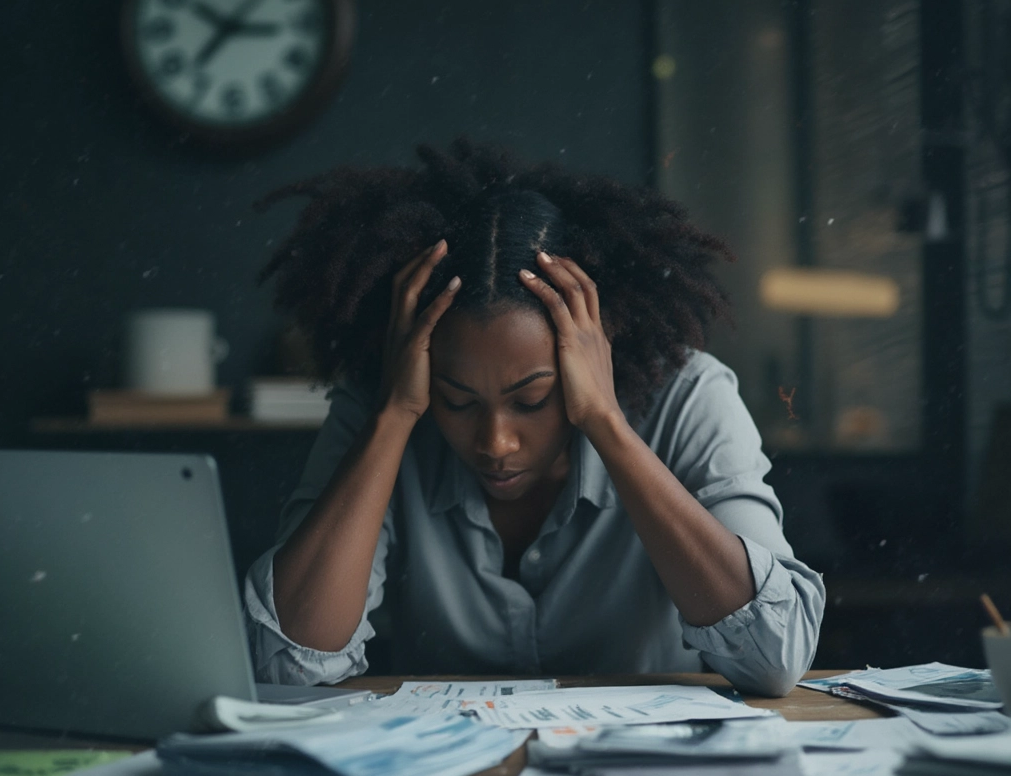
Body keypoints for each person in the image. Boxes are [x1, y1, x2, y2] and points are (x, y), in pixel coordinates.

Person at [244, 139, 824, 696]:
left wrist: (605, 422)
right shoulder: (382, 406)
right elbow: (288, 665)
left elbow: (775, 657)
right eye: (458, 400)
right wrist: (396, 415)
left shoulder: (689, 397)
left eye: (532, 400)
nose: (495, 442)